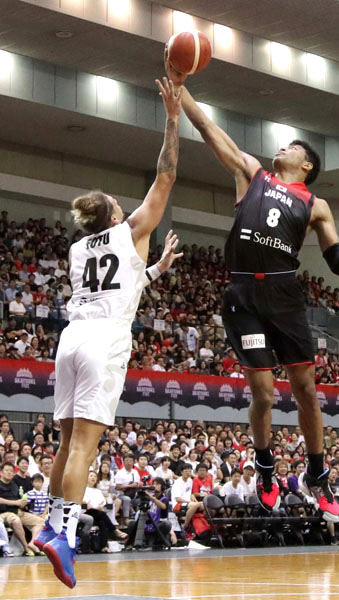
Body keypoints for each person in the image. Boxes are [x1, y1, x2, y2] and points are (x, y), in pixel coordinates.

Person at [164, 52, 339, 521]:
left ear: (305, 164)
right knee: (264, 394)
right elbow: (208, 128)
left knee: (306, 388)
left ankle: (317, 473)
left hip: (284, 295)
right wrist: (180, 85)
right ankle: (266, 468)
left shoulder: (316, 205)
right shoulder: (252, 174)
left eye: (290, 146)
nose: (281, 148)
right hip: (244, 295)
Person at [35, 77, 183, 588]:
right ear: (116, 216)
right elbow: (166, 175)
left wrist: (157, 268)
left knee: (66, 442)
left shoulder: (79, 249)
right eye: (119, 204)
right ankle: (64, 537)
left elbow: (122, 282)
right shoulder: (130, 230)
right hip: (104, 342)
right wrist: (172, 118)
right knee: (85, 446)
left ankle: (49, 523)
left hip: (71, 339)